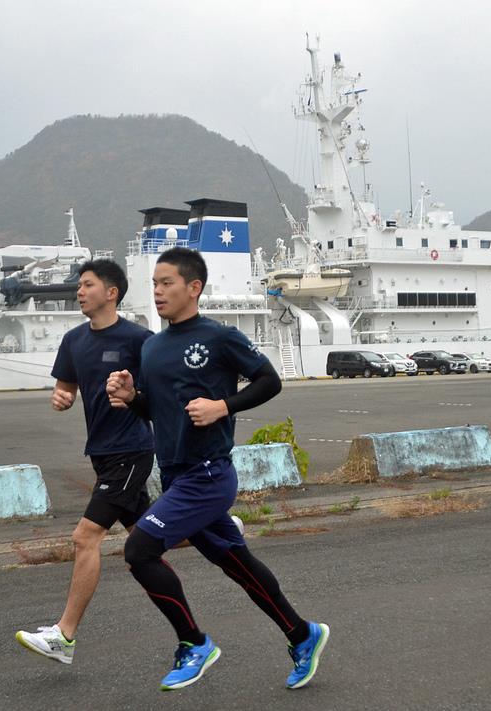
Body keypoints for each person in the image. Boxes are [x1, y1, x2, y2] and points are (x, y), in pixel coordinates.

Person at [106, 247, 328, 691]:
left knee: (139, 550)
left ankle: (194, 643)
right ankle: (303, 634)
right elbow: (159, 412)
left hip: (208, 475)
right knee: (238, 564)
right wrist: (132, 399)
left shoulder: (219, 337)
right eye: (154, 283)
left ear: (194, 287)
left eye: (166, 282)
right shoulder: (151, 347)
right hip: (174, 473)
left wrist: (222, 406)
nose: (157, 291)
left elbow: (270, 381)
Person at [14, 259, 155, 664]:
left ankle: (65, 635)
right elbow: (66, 388)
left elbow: (156, 392)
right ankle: (212, 522)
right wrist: (61, 399)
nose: (79, 291)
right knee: (151, 533)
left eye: (87, 285)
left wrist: (134, 396)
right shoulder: (74, 340)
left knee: (85, 537)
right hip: (101, 452)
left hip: (131, 451)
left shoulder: (138, 339)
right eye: (79, 285)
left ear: (111, 293)